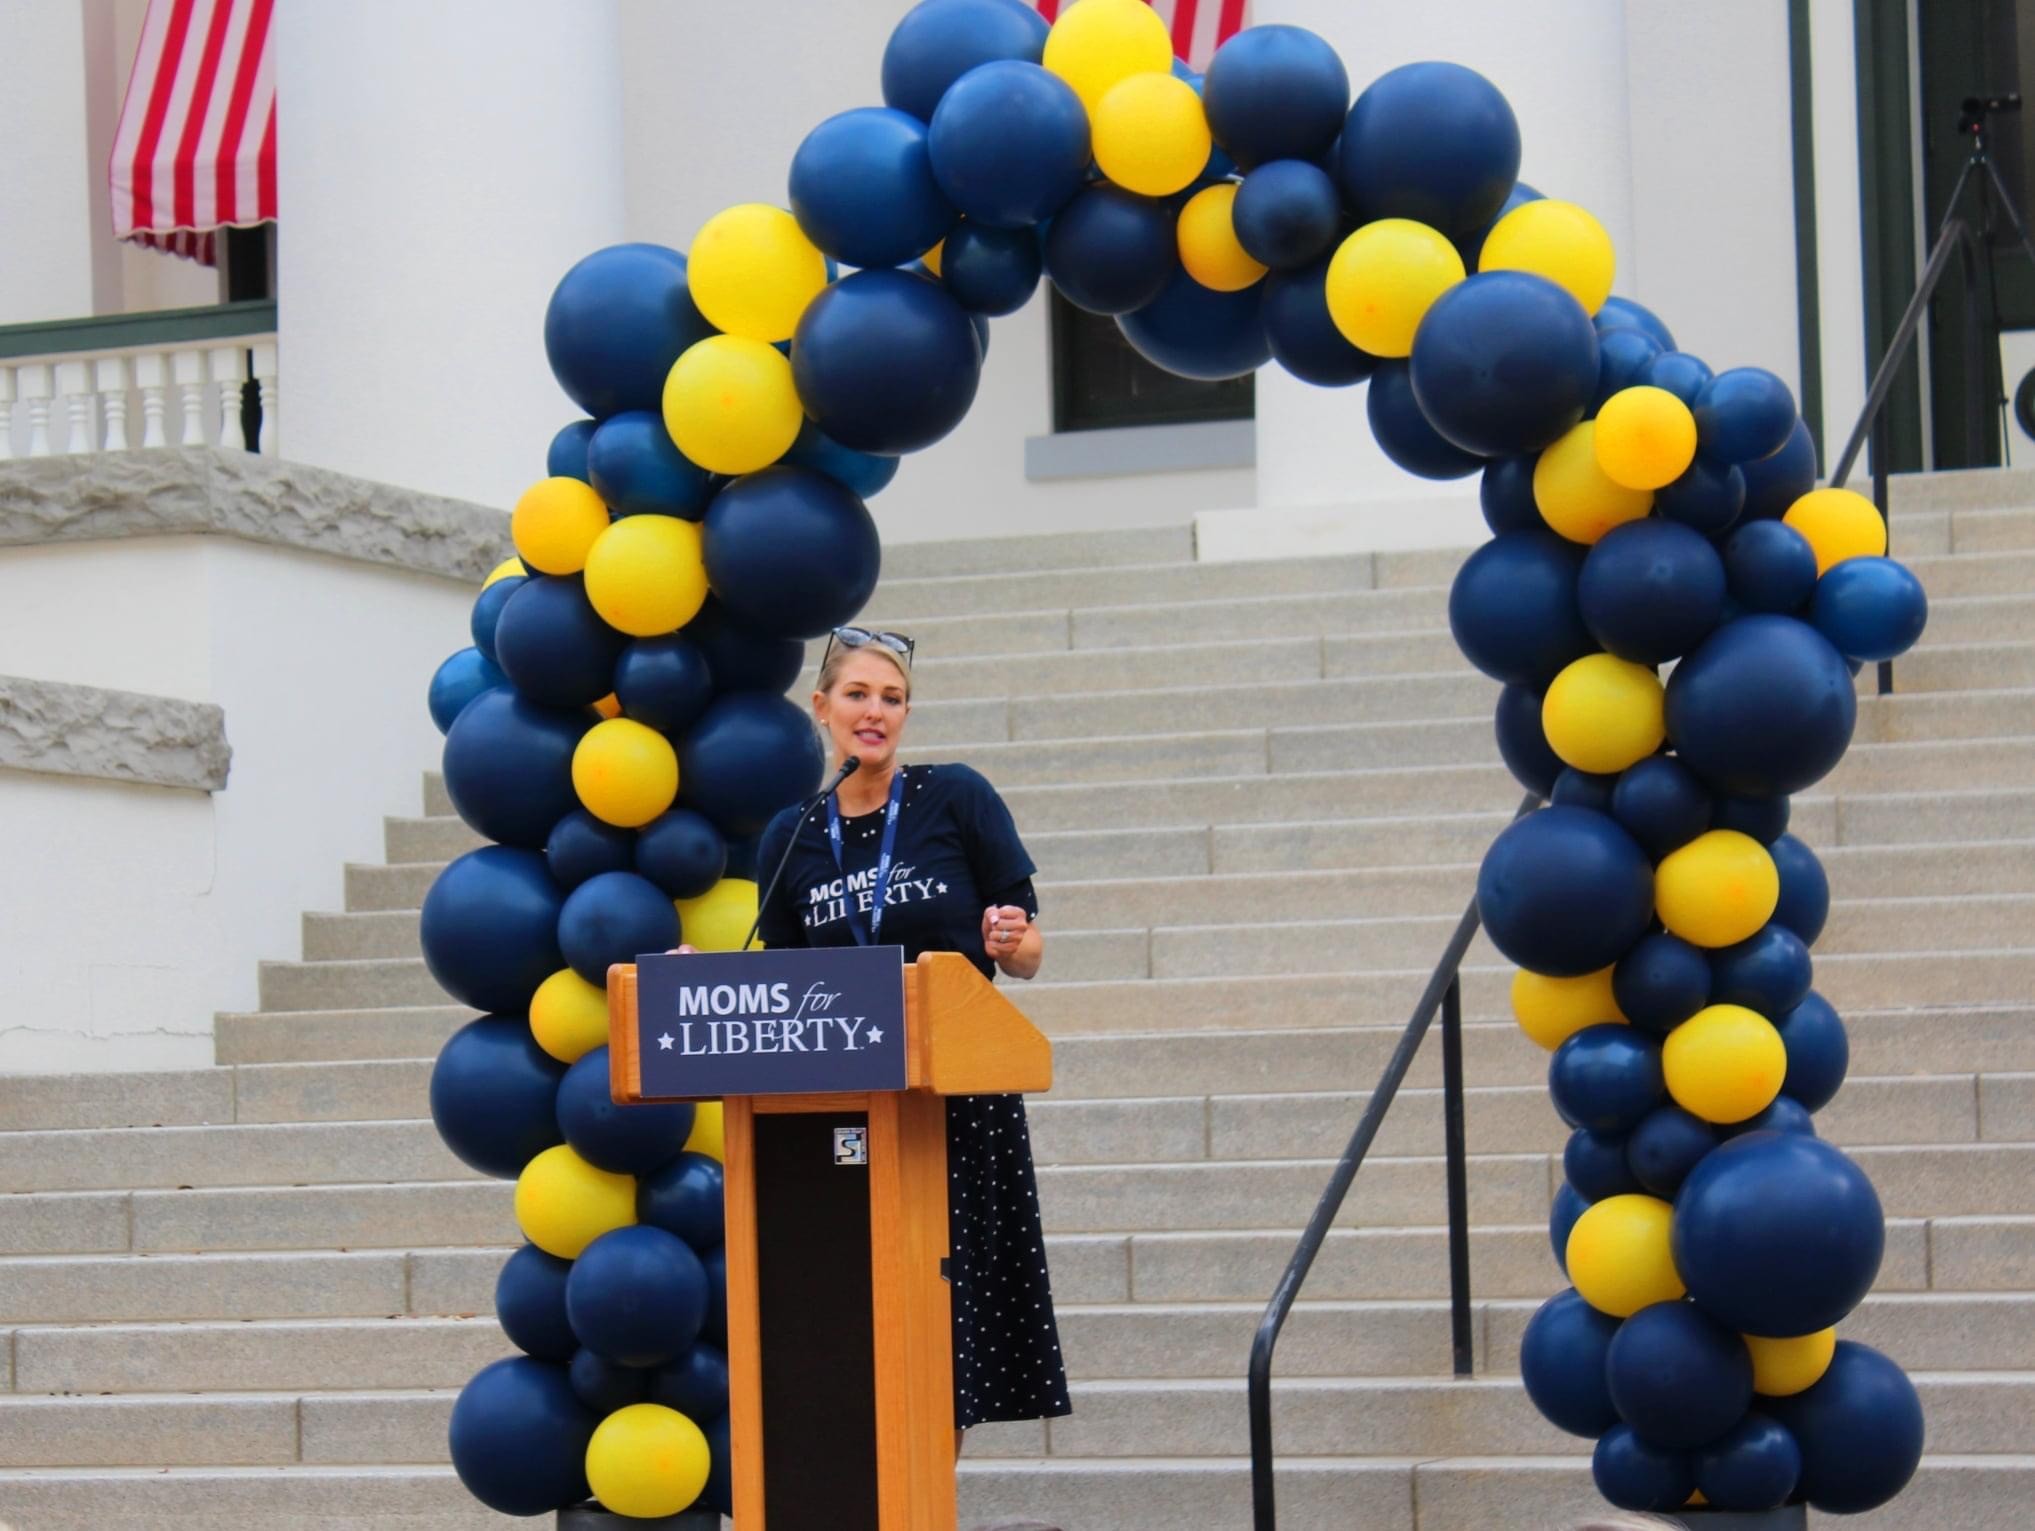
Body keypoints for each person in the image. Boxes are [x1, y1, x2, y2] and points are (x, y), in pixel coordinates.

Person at [752, 624, 1072, 1438]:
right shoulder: (790, 833)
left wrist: (1009, 939)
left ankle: (928, 1491)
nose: (875, 712)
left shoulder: (954, 796)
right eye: (857, 694)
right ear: (821, 706)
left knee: (943, 1335)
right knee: (852, 1326)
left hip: (955, 1103)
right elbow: (781, 984)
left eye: (892, 698)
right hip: (842, 1112)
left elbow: (1026, 950)